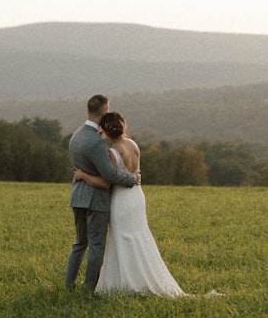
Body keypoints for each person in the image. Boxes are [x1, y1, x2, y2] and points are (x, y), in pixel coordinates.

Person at [73, 111, 186, 298]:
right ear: (124, 125)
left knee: (121, 239)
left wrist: (83, 175)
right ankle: (140, 276)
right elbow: (133, 173)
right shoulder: (133, 145)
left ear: (104, 130)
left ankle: (124, 282)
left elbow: (107, 182)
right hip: (137, 198)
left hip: (122, 200)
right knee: (139, 237)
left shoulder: (112, 152)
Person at [65, 95, 139, 292]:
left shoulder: (76, 136)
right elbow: (109, 176)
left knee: (80, 243)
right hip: (95, 199)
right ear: (105, 113)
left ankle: (69, 284)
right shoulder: (97, 143)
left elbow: (81, 167)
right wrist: (132, 179)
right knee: (97, 245)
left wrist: (82, 175)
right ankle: (89, 288)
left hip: (77, 196)